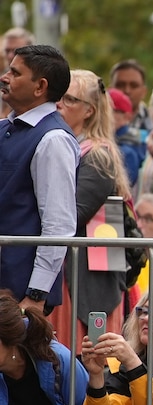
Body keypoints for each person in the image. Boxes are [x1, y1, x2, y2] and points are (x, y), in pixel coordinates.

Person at [49, 69, 132, 354]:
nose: (58, 103)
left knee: (81, 365)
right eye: (58, 96)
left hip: (82, 282)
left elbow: (69, 217)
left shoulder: (97, 155)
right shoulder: (67, 144)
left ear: (89, 111)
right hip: (68, 273)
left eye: (69, 99)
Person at [0, 45, 78, 313]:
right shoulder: (6, 128)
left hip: (17, 294)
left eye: (15, 72)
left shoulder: (53, 139)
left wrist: (36, 294)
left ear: (39, 86)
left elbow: (58, 225)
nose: (4, 77)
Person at [107, 88, 146, 188]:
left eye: (109, 109)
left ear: (127, 117)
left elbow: (121, 188)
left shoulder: (128, 150)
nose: (103, 114)